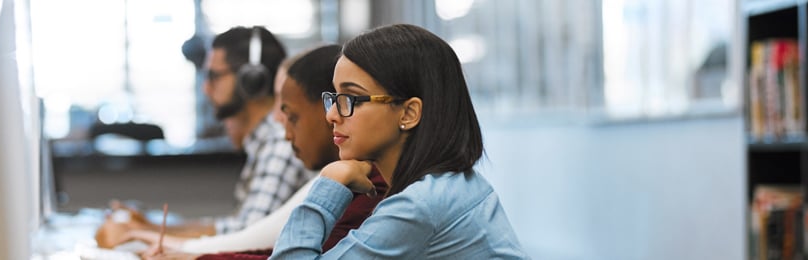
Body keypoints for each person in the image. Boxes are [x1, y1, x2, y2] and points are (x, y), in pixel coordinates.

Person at [271, 24, 528, 259]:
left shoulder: (420, 206)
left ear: (409, 113)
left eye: (351, 98)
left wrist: (329, 183)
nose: (331, 115)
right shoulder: (446, 186)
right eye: (335, 97)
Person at [97, 26, 313, 246]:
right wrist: (149, 227)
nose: (205, 88)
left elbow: (244, 238)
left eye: (213, 76)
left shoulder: (279, 143)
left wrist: (143, 234)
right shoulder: (265, 143)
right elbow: (234, 226)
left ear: (250, 80)